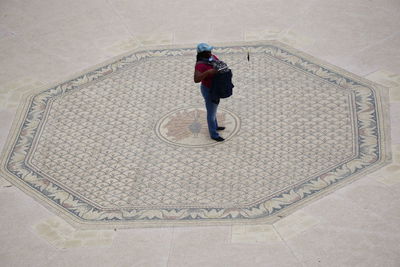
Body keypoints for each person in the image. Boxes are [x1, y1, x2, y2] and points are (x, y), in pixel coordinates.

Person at [194, 43, 225, 142]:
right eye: (207, 52)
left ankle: (215, 126)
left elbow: (218, 63)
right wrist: (207, 73)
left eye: (210, 51)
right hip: (208, 90)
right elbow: (196, 79)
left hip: (215, 88)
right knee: (211, 113)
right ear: (202, 54)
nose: (210, 53)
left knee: (213, 109)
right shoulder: (200, 65)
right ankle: (214, 134)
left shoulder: (212, 57)